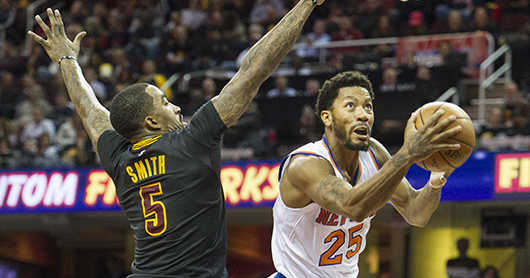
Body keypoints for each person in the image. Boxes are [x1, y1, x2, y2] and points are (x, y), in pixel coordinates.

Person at [29, 1, 325, 276]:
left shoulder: (117, 156)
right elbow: (253, 71)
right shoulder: (192, 141)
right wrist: (305, 5)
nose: (177, 107)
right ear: (152, 121)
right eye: (165, 102)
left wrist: (67, 60)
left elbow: (88, 109)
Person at [269, 71, 461, 278]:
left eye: (368, 106)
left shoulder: (374, 154)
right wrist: (407, 154)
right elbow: (353, 206)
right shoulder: (306, 164)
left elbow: (415, 213)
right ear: (327, 117)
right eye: (351, 106)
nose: (363, 115)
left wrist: (434, 184)